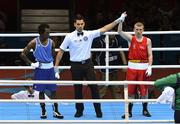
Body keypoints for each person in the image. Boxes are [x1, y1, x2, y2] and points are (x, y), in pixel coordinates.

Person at [54, 13, 126, 118]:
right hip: (75, 66)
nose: (80, 26)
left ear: (84, 24)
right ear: (74, 24)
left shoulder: (89, 34)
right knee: (77, 89)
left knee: (94, 88)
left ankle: (98, 111)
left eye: (81, 24)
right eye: (78, 24)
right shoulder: (69, 37)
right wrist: (56, 67)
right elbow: (60, 51)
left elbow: (105, 29)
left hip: (88, 64)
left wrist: (119, 20)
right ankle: (79, 111)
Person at [20, 24, 63, 119]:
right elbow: (23, 54)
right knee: (41, 92)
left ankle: (56, 111)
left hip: (50, 69)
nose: (49, 34)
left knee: (53, 91)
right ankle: (43, 111)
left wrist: (56, 69)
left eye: (49, 32)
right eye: (47, 33)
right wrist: (31, 63)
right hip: (40, 69)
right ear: (41, 33)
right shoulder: (34, 42)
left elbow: (53, 56)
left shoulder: (52, 42)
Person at [118, 12, 153, 118]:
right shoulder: (131, 39)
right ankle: (129, 111)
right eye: (136, 29)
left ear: (143, 30)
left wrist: (150, 66)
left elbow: (150, 55)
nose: (138, 31)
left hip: (143, 68)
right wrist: (121, 19)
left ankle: (145, 110)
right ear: (134, 30)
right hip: (132, 68)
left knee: (144, 90)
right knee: (131, 90)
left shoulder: (148, 41)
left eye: (140, 29)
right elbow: (119, 31)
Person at [93, 33, 127, 99]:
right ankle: (96, 103)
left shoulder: (116, 41)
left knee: (116, 87)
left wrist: (125, 64)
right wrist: (92, 67)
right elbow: (92, 54)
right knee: (102, 88)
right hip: (104, 70)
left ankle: (120, 104)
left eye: (113, 32)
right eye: (110, 31)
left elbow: (121, 52)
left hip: (114, 68)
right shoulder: (100, 43)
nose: (112, 34)